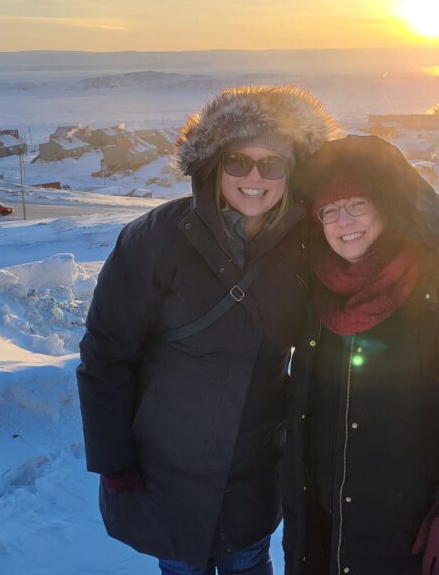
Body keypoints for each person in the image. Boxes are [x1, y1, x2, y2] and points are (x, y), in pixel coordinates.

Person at [77, 85, 334, 575]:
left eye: (273, 163)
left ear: (292, 171)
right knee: (181, 567)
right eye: (239, 160)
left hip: (253, 470)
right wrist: (112, 459)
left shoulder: (307, 247)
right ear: (214, 164)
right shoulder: (156, 239)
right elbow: (106, 353)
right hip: (165, 466)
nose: (254, 176)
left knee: (247, 559)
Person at [283, 134, 439, 575]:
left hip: (415, 534)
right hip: (327, 533)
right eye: (328, 210)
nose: (342, 221)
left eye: (356, 205)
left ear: (386, 206)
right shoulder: (315, 289)